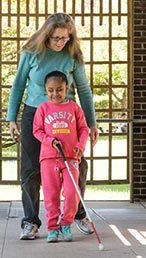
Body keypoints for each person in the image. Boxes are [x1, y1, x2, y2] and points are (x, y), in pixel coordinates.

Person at [6, 13, 99, 240]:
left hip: (67, 116)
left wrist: (92, 123)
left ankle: (77, 214)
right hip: (34, 114)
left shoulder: (72, 55)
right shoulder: (31, 53)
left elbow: (84, 91)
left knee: (77, 166)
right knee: (30, 170)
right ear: (46, 35)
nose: (60, 42)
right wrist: (11, 118)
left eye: (65, 38)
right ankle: (30, 222)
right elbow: (18, 85)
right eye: (56, 38)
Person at [33, 71, 89, 242]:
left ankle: (66, 224)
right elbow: (37, 131)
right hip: (49, 158)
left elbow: (84, 129)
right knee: (51, 195)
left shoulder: (74, 108)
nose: (55, 94)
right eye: (50, 90)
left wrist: (80, 146)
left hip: (71, 157)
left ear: (67, 88)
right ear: (45, 90)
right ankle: (52, 228)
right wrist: (50, 141)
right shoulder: (43, 108)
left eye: (59, 90)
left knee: (72, 193)